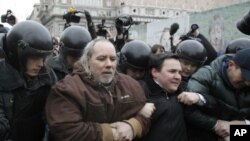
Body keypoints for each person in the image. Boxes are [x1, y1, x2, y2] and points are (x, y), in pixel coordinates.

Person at [46, 38, 154, 141]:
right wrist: (112, 133)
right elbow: (67, 131)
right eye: (101, 59)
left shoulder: (131, 85)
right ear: (87, 61)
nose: (109, 64)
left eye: (112, 59)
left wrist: (133, 126)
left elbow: (147, 118)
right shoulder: (67, 90)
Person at [0, 21, 57, 141]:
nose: (41, 64)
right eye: (35, 57)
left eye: (43, 58)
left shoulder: (47, 76)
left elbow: (56, 114)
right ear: (17, 54)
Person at [182, 46, 250, 141]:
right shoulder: (206, 76)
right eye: (244, 77)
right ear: (231, 65)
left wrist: (241, 125)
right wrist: (216, 125)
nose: (247, 83)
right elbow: (189, 111)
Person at [138, 53, 188, 141]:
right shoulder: (139, 92)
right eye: (172, 71)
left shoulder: (185, 89)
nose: (178, 77)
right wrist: (137, 110)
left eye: (179, 72)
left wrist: (198, 97)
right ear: (155, 72)